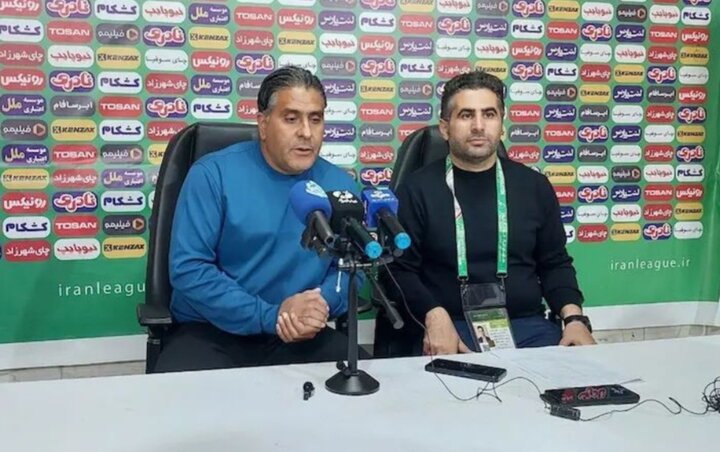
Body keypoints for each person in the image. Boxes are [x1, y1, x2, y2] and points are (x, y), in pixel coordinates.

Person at [154, 66, 360, 372]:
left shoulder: (341, 187)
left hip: (300, 333)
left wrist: (321, 304)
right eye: (291, 118)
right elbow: (190, 269)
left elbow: (349, 266)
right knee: (181, 396)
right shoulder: (213, 175)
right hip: (212, 331)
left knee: (367, 387)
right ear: (263, 124)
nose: (306, 132)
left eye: (315, 119)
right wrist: (270, 315)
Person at [389, 70, 595, 355]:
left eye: (489, 114)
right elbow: (399, 271)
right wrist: (433, 315)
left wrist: (574, 319)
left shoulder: (534, 186)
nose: (478, 126)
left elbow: (555, 263)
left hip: (527, 328)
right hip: (450, 327)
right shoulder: (416, 190)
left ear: (502, 125)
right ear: (445, 128)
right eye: (466, 115)